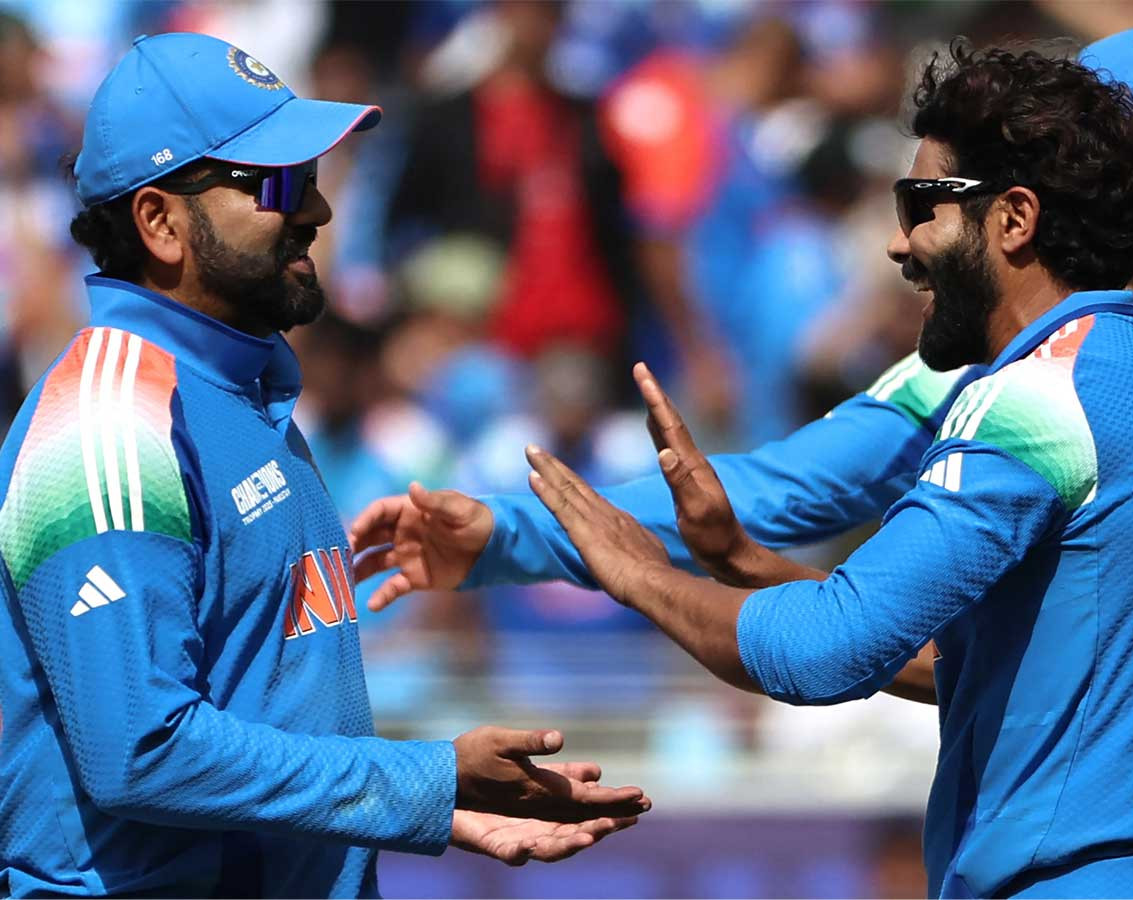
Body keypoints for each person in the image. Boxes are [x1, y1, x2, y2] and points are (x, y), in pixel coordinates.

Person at [365, 41, 1133, 895]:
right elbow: (995, 657)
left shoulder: (1031, 399)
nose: (896, 243)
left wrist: (638, 575)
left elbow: (826, 648)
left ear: (1019, 215)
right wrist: (523, 534)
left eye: (921, 205)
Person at [0, 33, 651, 899]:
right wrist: (422, 781)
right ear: (159, 222)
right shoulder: (109, 426)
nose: (315, 209)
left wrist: (421, 808)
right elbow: (143, 750)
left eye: (306, 177)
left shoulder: (239, 392)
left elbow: (262, 716)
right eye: (273, 184)